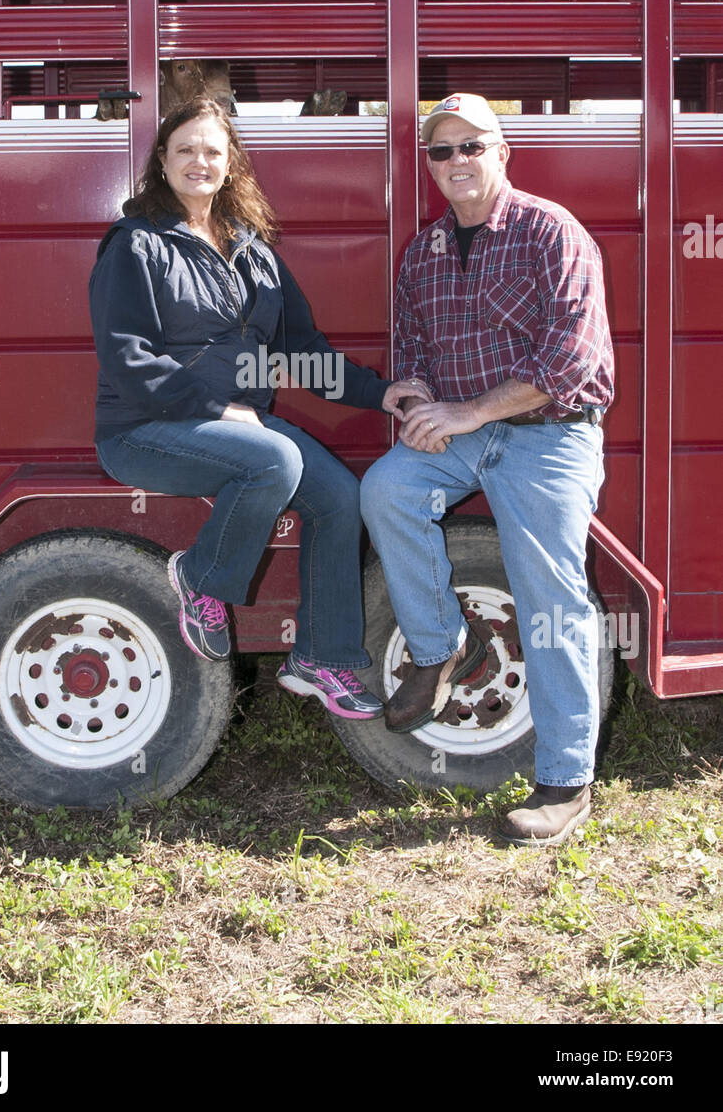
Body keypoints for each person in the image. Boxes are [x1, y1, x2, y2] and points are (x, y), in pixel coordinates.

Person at [89, 95, 416, 720]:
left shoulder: (253, 250)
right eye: (185, 148)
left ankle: (322, 656)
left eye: (213, 150)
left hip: (239, 426)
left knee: (342, 498)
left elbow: (300, 351)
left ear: (230, 163)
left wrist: (380, 394)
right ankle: (203, 581)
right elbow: (127, 359)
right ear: (162, 159)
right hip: (146, 429)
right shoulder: (135, 245)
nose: (199, 161)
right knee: (274, 461)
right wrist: (216, 403)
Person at [360, 93, 615, 845]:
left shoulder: (550, 232)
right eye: (442, 151)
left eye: (472, 145)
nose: (457, 162)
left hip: (549, 434)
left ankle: (566, 783)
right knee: (388, 487)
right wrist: (411, 397)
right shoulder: (424, 252)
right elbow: (413, 355)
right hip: (468, 430)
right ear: (430, 166)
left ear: (503, 152)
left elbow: (572, 361)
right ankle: (444, 647)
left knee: (550, 595)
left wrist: (469, 413)